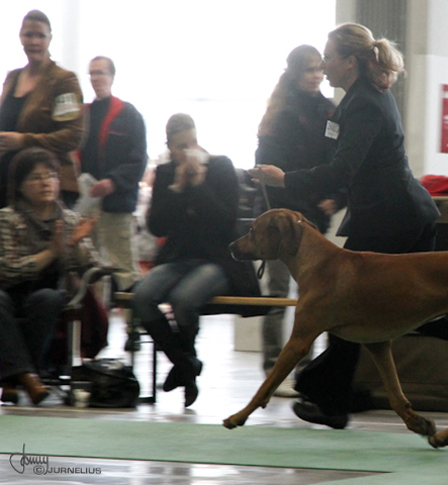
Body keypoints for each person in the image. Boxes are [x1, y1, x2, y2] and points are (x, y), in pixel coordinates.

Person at [250, 23, 440, 429]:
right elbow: (347, 168)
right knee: (373, 310)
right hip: (384, 216)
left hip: (397, 219)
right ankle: (335, 397)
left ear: (350, 62)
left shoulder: (365, 104)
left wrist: (284, 179)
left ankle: (329, 392)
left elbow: (342, 170)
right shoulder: (356, 100)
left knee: (391, 310)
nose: (324, 66)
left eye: (330, 57)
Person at [131, 114, 261, 407]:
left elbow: (226, 223)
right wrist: (177, 188)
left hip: (218, 261)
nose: (188, 152)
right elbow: (157, 227)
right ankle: (186, 364)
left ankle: (184, 369)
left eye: (192, 143)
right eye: (180, 147)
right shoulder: (165, 174)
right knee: (142, 297)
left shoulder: (221, 167)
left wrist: (200, 185)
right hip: (178, 258)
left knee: (183, 299)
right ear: (169, 148)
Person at [255, 44, 346, 396]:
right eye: (310, 69)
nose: (318, 75)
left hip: (315, 219)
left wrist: (337, 199)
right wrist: (289, 212)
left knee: (316, 298)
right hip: (282, 220)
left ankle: (307, 369)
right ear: (295, 72)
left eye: (320, 69)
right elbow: (270, 171)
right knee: (277, 294)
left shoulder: (329, 110)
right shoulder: (279, 113)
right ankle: (271, 366)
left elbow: (341, 164)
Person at [0, 147, 97, 405]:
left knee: (48, 298)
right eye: (36, 177)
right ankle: (28, 376)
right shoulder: (7, 219)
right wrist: (51, 252)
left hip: (48, 291)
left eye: (51, 176)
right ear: (20, 186)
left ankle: (13, 378)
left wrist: (75, 244)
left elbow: (92, 268)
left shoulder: (70, 219)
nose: (45, 183)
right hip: (10, 290)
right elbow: (6, 270)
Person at [77, 56, 147, 350]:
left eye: (101, 73)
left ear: (112, 76)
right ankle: (96, 330)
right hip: (87, 204)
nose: (96, 78)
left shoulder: (128, 115)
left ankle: (133, 328)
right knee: (92, 270)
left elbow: (138, 159)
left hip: (116, 204)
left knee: (124, 266)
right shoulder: (84, 115)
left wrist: (114, 182)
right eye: (92, 73)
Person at [0, 9, 84, 209]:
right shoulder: (12, 78)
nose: (34, 42)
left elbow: (73, 136)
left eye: (40, 36)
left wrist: (23, 140)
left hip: (48, 188)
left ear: (50, 38)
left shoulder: (64, 80)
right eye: (29, 35)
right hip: (10, 181)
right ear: (21, 37)